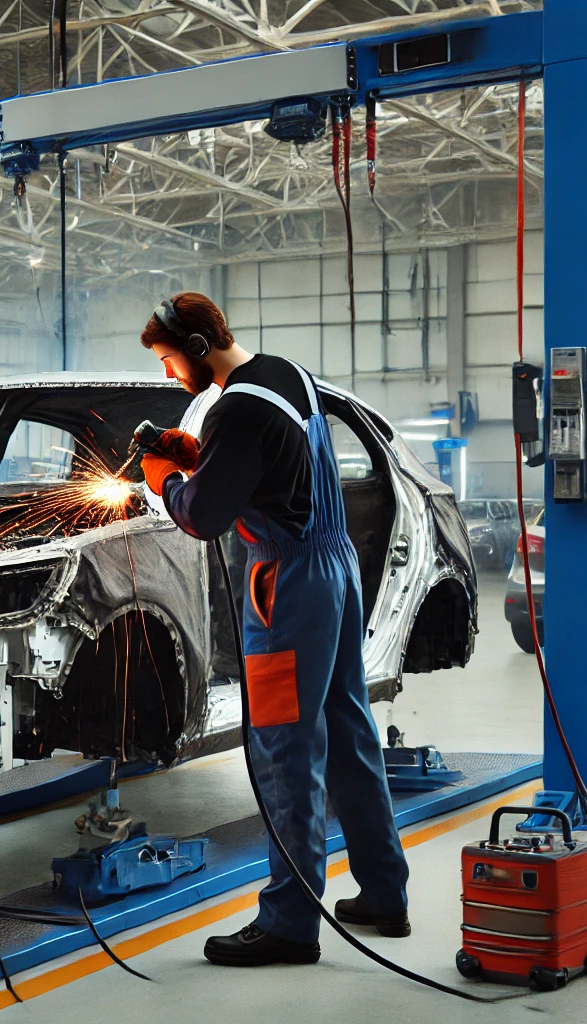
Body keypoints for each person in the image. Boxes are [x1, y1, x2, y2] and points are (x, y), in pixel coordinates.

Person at [136, 292, 410, 967]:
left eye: (172, 361)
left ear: (198, 349)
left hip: (286, 583)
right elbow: (271, 466)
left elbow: (203, 517)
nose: (172, 376)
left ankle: (290, 923)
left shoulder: (238, 406)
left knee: (284, 752)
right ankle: (384, 891)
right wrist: (197, 452)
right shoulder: (286, 374)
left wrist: (166, 477)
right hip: (334, 567)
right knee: (348, 731)